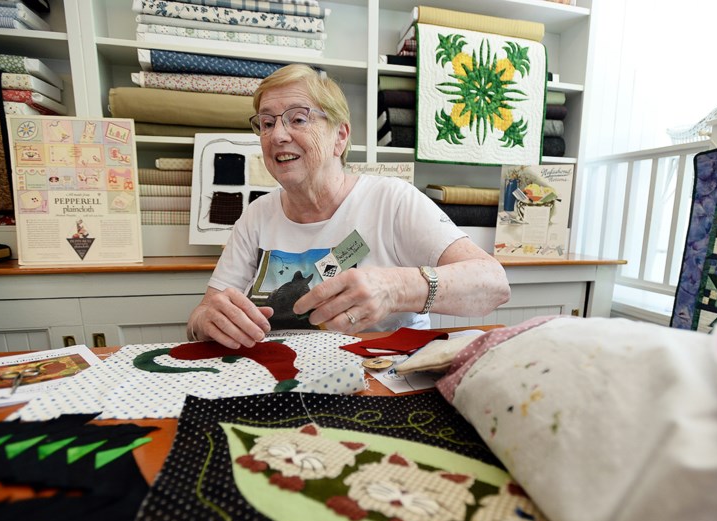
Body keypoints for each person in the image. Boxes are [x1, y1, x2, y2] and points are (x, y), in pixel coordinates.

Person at [187, 64, 510, 349]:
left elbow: (493, 284)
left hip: (383, 380)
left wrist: (395, 289)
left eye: (297, 119)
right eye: (267, 123)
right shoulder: (256, 215)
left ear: (340, 136)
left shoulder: (392, 200)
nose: (278, 135)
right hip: (281, 380)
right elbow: (201, 316)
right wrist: (205, 321)